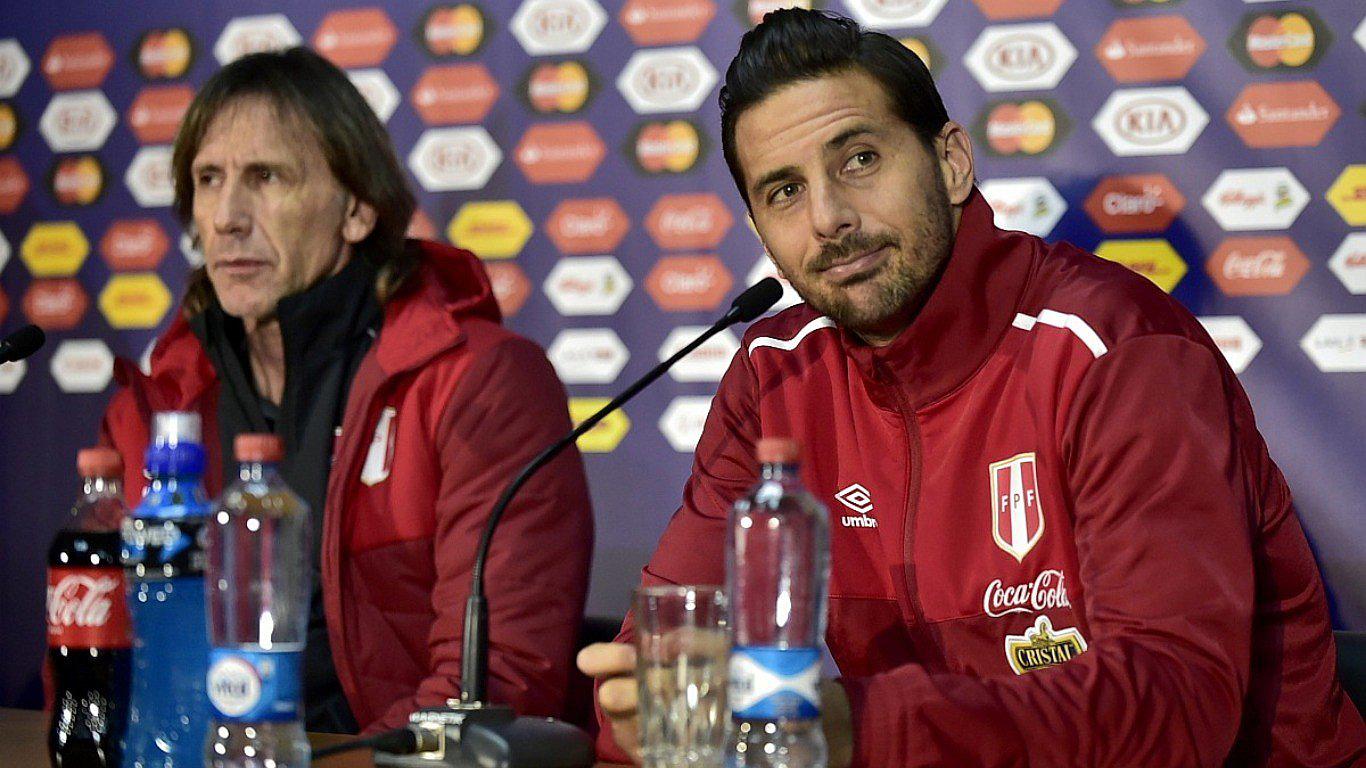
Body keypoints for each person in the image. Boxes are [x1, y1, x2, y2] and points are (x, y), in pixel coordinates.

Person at [578, 9, 1366, 766]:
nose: (828, 216)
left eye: (859, 159)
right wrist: (641, 711)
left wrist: (864, 730)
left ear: (951, 161)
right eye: (784, 191)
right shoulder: (776, 372)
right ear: (758, 230)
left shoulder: (1116, 350)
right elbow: (655, 671)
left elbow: (1179, 710)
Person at [100, 47, 593, 734]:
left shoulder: (479, 385)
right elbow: (97, 665)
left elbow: (490, 688)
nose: (227, 217)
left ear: (358, 209)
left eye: (265, 177)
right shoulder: (154, 410)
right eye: (208, 180)